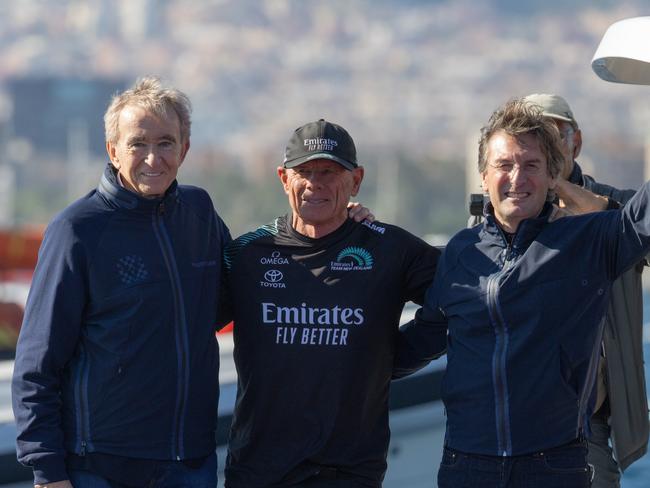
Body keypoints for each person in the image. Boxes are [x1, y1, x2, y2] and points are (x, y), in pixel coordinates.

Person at [400, 98, 650, 488]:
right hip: (466, 465)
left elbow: (641, 220)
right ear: (483, 176)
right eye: (504, 165)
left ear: (554, 176)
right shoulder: (460, 253)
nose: (517, 177)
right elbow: (422, 339)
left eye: (531, 165)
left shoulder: (588, 242)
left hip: (554, 464)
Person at [12, 77, 231, 487]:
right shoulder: (77, 230)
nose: (153, 158)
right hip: (99, 467)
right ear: (113, 151)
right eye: (137, 144)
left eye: (165, 143)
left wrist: (338, 227)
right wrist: (47, 471)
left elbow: (249, 288)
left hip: (190, 461)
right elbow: (36, 363)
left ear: (184, 149)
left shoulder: (200, 215)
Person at [220, 119, 443, 487]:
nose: (315, 182)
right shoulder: (246, 254)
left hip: (349, 474)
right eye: (304, 171)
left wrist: (390, 358)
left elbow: (458, 300)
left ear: (356, 180)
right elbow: (192, 316)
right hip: (258, 471)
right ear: (283, 178)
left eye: (329, 171)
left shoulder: (389, 249)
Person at [524, 93, 649, 488]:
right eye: (532, 138)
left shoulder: (621, 208)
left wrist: (565, 189)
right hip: (518, 408)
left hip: (588, 415)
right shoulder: (509, 214)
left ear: (575, 141)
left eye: (552, 136)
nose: (544, 147)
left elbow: (632, 231)